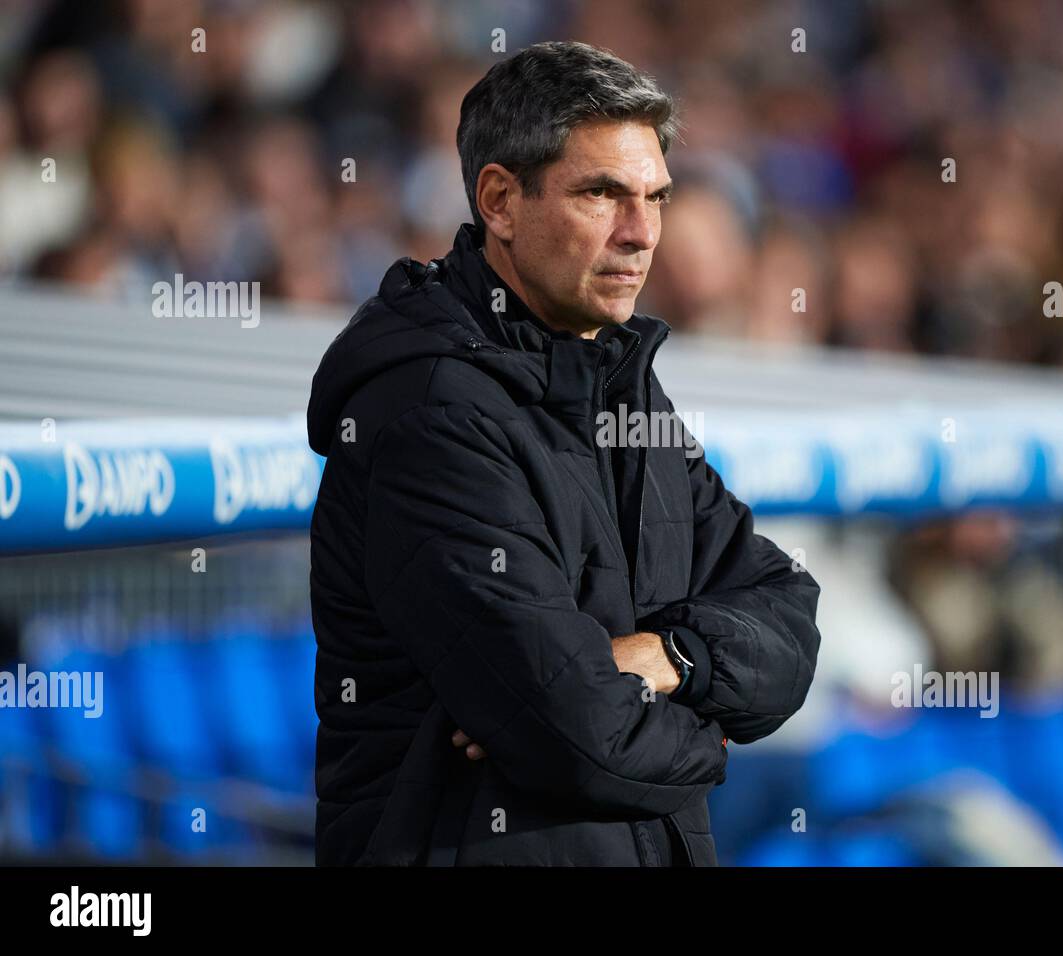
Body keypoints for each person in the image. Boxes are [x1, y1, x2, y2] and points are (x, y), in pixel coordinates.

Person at [305, 40, 822, 866]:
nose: (642, 233)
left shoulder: (622, 380)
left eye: (656, 197)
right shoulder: (428, 411)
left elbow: (787, 608)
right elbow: (575, 734)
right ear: (501, 202)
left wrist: (675, 657)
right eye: (602, 195)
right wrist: (709, 739)